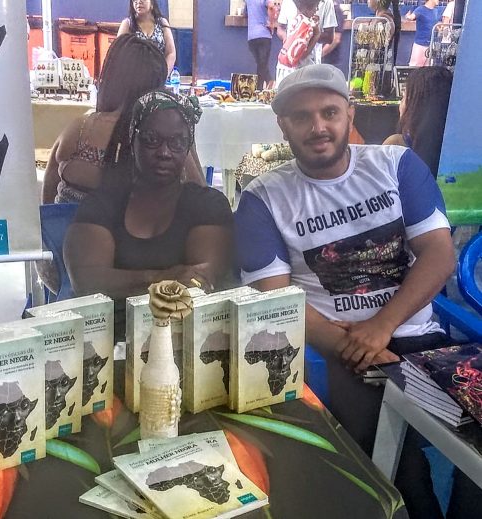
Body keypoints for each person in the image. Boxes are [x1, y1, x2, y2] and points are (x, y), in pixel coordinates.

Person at [235, 64, 455, 519]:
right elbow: (274, 299)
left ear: (349, 113)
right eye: (302, 117)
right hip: (334, 351)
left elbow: (439, 255)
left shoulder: (395, 166)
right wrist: (354, 347)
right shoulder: (263, 198)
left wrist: (380, 327)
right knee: (393, 460)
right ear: (283, 125)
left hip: (417, 337)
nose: (318, 127)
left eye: (329, 112)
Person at [64, 91, 234, 340]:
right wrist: (161, 277)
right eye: (152, 140)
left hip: (186, 340)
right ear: (133, 139)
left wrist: (126, 282)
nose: (164, 152)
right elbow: (87, 281)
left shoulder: (207, 205)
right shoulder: (102, 204)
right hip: (110, 342)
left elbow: (199, 285)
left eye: (177, 142)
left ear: (188, 147)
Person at [42, 34, 204, 206]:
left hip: (70, 222)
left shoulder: (81, 129)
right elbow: (201, 198)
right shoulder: (166, 135)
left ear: (111, 77)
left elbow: (49, 191)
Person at [383, 66, 453, 179]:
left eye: (404, 97)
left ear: (415, 105)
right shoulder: (457, 149)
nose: (400, 105)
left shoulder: (396, 145)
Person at [117, 0, 176, 73]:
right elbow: (118, 52)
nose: (139, 1)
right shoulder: (127, 24)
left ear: (152, 2)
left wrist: (164, 74)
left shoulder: (162, 22)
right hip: (133, 74)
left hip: (159, 74)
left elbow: (171, 53)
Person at [275, 0, 322, 85]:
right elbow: (301, 55)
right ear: (307, 8)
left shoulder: (297, 20)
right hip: (295, 73)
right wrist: (316, 35)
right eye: (316, 6)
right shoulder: (306, 26)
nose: (317, 9)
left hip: (284, 68)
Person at [276, 0, 337, 65]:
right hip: (288, 64)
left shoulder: (327, 2)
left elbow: (329, 38)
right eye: (315, 6)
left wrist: (313, 34)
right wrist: (288, 41)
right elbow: (280, 28)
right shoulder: (287, 2)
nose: (317, 9)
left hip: (311, 63)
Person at [244, 0, 273, 90]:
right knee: (262, 64)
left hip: (252, 37)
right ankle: (263, 85)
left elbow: (245, 13)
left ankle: (265, 83)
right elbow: (271, 6)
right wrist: (271, 23)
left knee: (261, 64)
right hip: (264, 34)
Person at [406, 0, 440, 67]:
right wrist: (408, 16)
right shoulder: (420, 9)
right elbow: (411, 17)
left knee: (428, 67)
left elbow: (435, 24)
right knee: (415, 67)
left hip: (431, 45)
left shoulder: (435, 11)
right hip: (420, 44)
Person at [322, 1, 345, 72]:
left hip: (330, 62)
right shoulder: (324, 8)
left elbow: (336, 39)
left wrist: (319, 55)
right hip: (323, 61)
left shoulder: (335, 10)